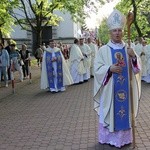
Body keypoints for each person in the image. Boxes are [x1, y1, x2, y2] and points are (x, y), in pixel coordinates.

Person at [93, 9, 141, 148]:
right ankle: (109, 139)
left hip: (125, 91)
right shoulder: (103, 50)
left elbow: (137, 70)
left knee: (124, 113)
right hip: (110, 92)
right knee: (111, 113)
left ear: (123, 32)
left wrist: (133, 57)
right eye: (114, 30)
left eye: (120, 30)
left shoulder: (129, 49)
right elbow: (96, 69)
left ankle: (124, 139)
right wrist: (109, 68)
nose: (117, 33)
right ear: (110, 33)